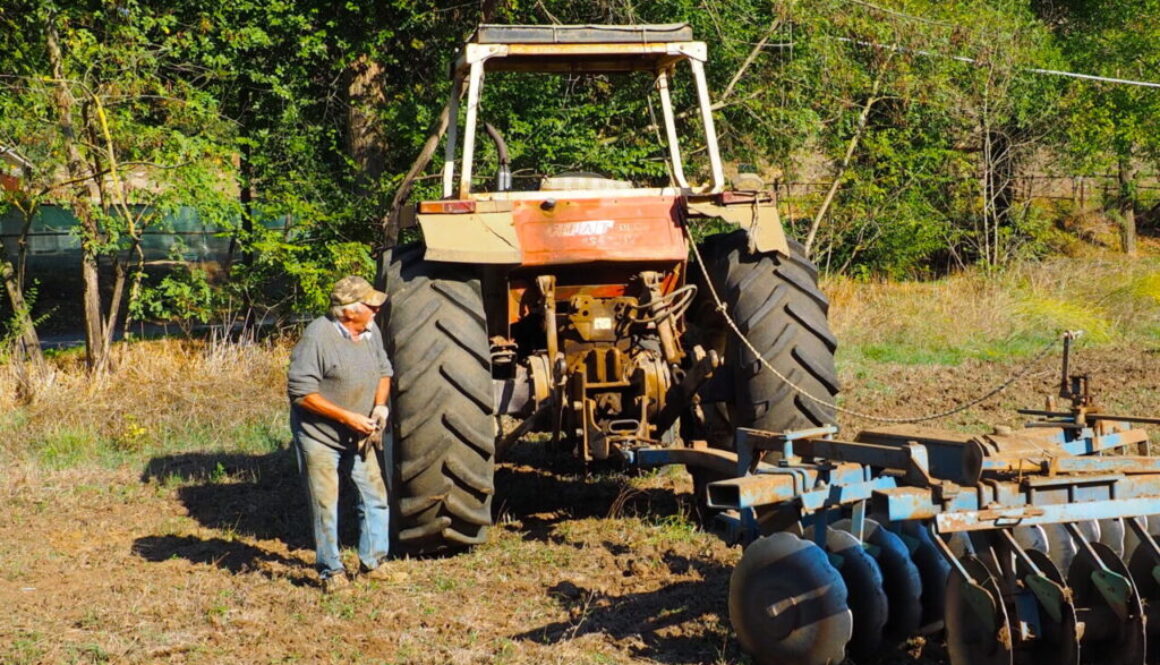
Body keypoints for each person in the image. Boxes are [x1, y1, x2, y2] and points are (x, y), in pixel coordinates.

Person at [287, 275, 394, 593]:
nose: (377, 310)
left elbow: (384, 370)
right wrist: (348, 417)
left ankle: (373, 564)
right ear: (349, 311)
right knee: (325, 504)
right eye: (371, 305)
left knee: (375, 498)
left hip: (359, 434)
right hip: (320, 436)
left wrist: (380, 407)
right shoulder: (316, 338)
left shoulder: (370, 332)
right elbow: (302, 393)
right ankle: (331, 571)